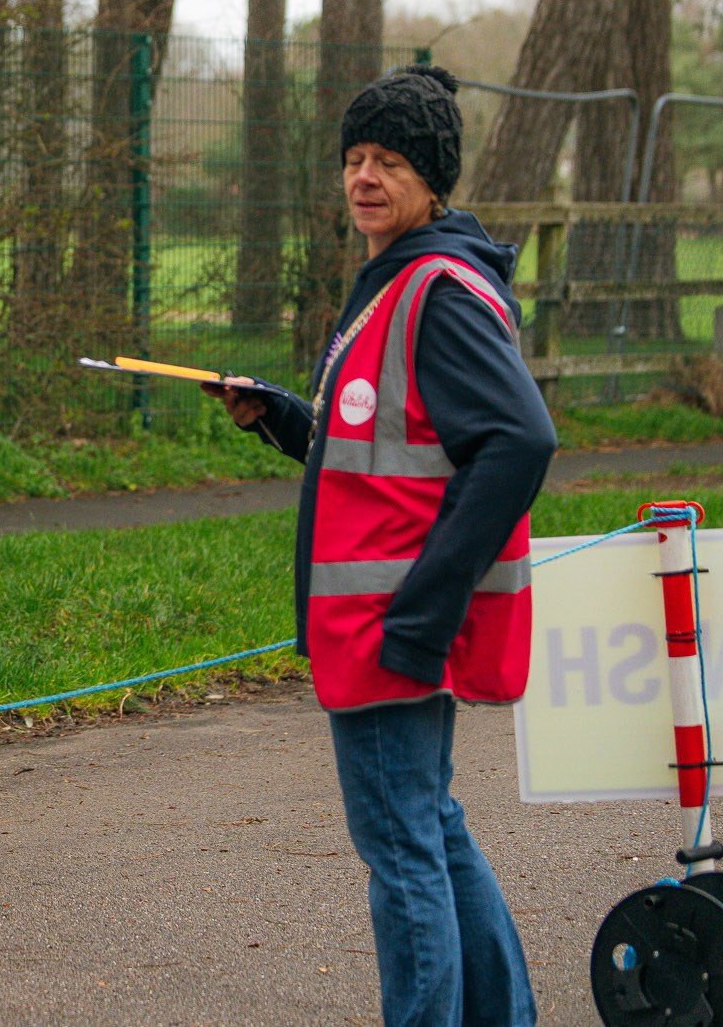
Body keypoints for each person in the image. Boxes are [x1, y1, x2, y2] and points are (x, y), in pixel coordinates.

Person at [206, 64, 553, 1026]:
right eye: (354, 158)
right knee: (430, 831)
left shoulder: (435, 288)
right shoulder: (400, 279)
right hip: (382, 620)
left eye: (389, 161)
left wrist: (428, 608)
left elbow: (521, 441)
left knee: (403, 850)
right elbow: (384, 443)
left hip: (394, 623)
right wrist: (281, 418)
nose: (363, 177)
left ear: (433, 180)